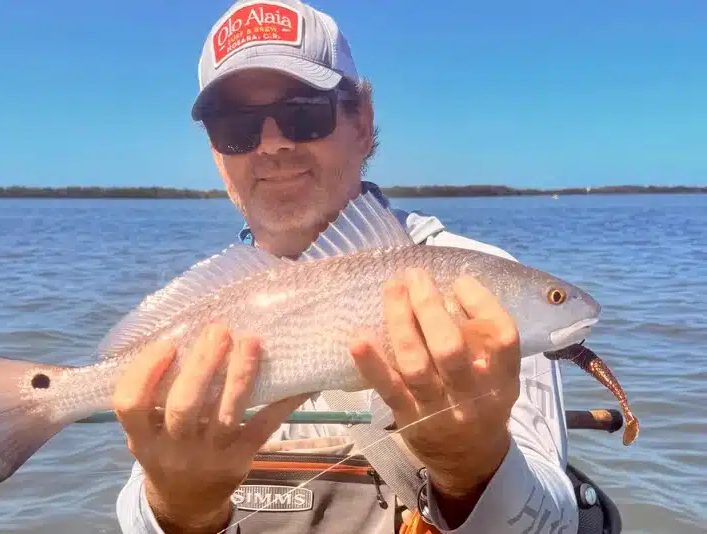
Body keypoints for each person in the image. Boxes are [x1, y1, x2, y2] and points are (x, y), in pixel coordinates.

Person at [113, 1, 582, 532]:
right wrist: (179, 505)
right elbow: (135, 509)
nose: (273, 143)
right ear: (216, 153)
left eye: (302, 113)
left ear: (363, 122)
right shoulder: (200, 307)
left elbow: (558, 521)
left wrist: (472, 466)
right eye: (236, 127)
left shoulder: (478, 281)